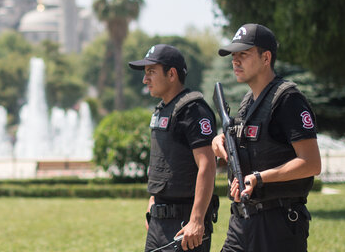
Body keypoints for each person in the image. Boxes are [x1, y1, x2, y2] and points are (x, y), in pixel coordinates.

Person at [213, 23, 322, 251]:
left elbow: (311, 163)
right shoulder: (247, 102)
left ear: (266, 58)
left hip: (277, 224)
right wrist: (219, 141)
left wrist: (261, 178)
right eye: (234, 55)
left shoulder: (288, 99)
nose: (235, 61)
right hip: (241, 222)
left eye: (244, 54)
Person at [129, 44, 218, 252]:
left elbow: (208, 166)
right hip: (158, 222)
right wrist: (153, 201)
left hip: (184, 223)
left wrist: (197, 221)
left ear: (171, 74)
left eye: (151, 72)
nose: (145, 79)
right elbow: (164, 162)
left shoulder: (193, 110)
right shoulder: (162, 109)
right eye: (145, 73)